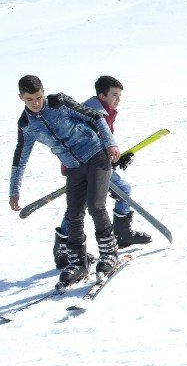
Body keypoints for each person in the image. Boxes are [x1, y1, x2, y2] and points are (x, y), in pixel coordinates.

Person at [9, 75, 121, 285]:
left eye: (39, 97)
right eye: (29, 99)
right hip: (73, 166)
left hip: (96, 155)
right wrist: (14, 191)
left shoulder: (59, 102)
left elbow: (95, 117)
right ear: (21, 98)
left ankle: (109, 253)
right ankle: (77, 263)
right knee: (73, 215)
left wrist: (110, 143)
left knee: (96, 205)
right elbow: (20, 158)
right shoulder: (25, 124)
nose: (36, 103)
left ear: (44, 91)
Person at [52, 76, 151, 268]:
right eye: (114, 95)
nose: (118, 100)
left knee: (119, 191)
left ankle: (121, 234)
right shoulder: (91, 114)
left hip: (94, 164)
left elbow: (101, 144)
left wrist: (115, 158)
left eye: (120, 95)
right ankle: (64, 250)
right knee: (80, 206)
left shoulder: (103, 111)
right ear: (102, 95)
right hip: (82, 167)